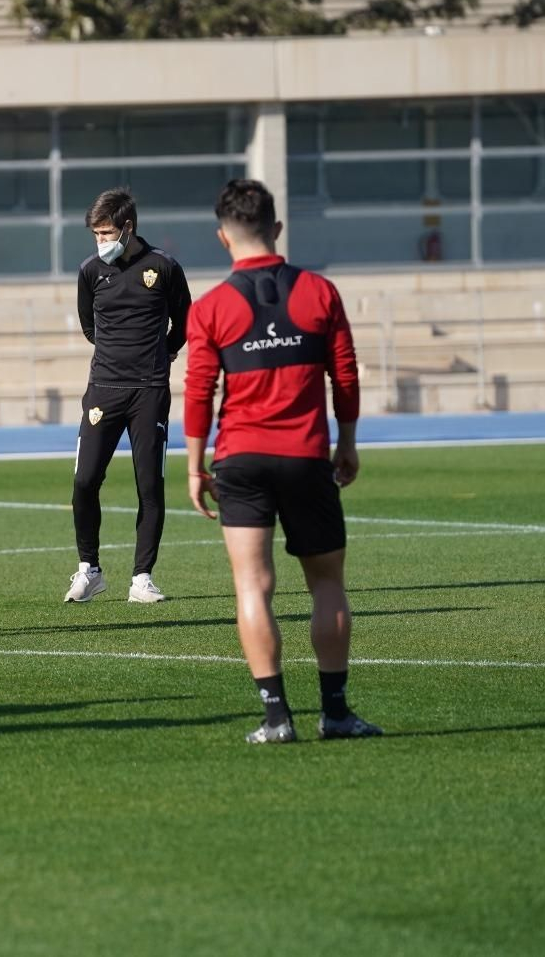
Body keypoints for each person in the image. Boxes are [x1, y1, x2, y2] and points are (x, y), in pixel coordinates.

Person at [182, 179, 378, 744]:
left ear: (223, 238)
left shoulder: (213, 305)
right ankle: (336, 714)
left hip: (240, 460)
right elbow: (345, 375)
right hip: (307, 457)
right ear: (278, 228)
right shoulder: (320, 291)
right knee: (328, 586)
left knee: (252, 586)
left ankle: (276, 719)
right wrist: (348, 442)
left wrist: (196, 468)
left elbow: (199, 393)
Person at [64, 188, 191, 605]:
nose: (101, 241)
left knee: (149, 483)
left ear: (128, 228)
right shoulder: (89, 271)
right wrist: (116, 355)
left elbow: (183, 322)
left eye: (106, 232)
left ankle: (142, 577)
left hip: (150, 391)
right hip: (103, 388)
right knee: (85, 481)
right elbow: (89, 326)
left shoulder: (164, 267)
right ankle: (89, 569)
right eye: (96, 234)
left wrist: (161, 355)